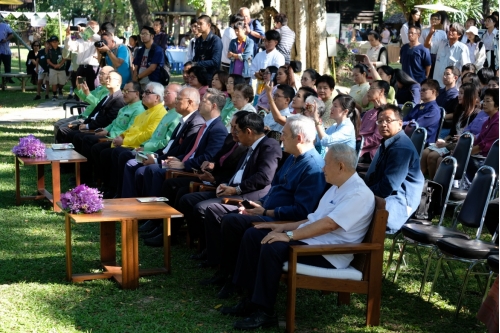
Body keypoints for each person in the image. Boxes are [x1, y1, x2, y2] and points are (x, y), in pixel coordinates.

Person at [221, 143, 374, 330]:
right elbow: (312, 220)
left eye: (326, 164)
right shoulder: (337, 187)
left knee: (272, 246)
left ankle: (265, 311)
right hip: (313, 242)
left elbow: (329, 224)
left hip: (329, 254)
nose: (323, 168)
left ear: (341, 166)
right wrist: (280, 227)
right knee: (254, 234)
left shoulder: (358, 193)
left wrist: (289, 235)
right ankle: (250, 299)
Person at [200, 115, 327, 297]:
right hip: (267, 209)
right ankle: (227, 274)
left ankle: (236, 281)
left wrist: (266, 211)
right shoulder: (293, 158)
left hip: (283, 219)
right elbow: (275, 188)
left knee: (234, 222)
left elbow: (302, 211)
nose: (281, 138)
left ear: (298, 138)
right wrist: (258, 204)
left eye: (284, 134)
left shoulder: (313, 168)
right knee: (230, 218)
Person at [170, 112, 282, 250]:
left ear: (248, 131)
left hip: (249, 195)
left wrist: (236, 189)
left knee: (203, 208)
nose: (234, 133)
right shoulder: (249, 146)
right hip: (231, 190)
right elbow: (237, 174)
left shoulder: (269, 145)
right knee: (187, 199)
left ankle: (213, 251)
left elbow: (264, 177)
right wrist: (218, 181)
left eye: (237, 130)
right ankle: (203, 245)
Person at [98, 83, 180, 198]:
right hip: (142, 146)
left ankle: (120, 193)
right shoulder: (149, 112)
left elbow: (150, 136)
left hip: (151, 150)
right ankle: (111, 189)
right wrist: (122, 137)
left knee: (121, 155)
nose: (143, 95)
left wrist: (134, 144)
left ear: (157, 98)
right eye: (144, 92)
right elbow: (132, 129)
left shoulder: (163, 114)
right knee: (106, 151)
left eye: (148, 93)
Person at [365, 105, 424, 233]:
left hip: (398, 203)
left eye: (388, 120)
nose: (383, 124)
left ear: (400, 124)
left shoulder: (401, 148)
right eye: (380, 121)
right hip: (385, 197)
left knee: (351, 211)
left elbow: (388, 187)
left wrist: (363, 194)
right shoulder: (389, 142)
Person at [78, 81, 145, 184]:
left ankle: (99, 180)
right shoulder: (124, 108)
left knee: (96, 147)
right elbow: (114, 123)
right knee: (87, 140)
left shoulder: (139, 110)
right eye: (123, 91)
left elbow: (130, 130)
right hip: (111, 135)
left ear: (137, 93)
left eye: (127, 91)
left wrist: (109, 134)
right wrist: (106, 129)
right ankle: (92, 178)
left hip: (120, 139)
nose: (124, 93)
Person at [421, 83, 484, 179]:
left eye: (462, 93)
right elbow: (453, 132)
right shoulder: (459, 109)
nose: (459, 96)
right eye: (459, 93)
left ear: (469, 96)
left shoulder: (476, 114)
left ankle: (434, 183)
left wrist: (447, 144)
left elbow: (468, 138)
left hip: (460, 145)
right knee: (425, 152)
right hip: (452, 142)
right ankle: (424, 179)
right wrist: (445, 140)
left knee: (433, 156)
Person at [57, 70, 126, 144]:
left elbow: (107, 119)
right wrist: (80, 88)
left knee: (71, 133)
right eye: (100, 74)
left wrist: (87, 126)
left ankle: (67, 154)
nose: (105, 79)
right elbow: (86, 99)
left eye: (108, 77)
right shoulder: (102, 90)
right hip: (88, 120)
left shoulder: (118, 99)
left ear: (118, 82)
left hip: (96, 126)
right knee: (62, 129)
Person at [466, 88, 499, 180]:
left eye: (488, 101)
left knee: (461, 159)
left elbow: (483, 146)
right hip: (480, 156)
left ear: (496, 103)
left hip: (490, 161)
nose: (484, 103)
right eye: (483, 101)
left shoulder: (497, 122)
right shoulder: (487, 122)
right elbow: (478, 141)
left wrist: (465, 152)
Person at [63, 21, 101, 91]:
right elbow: (69, 47)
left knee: (93, 89)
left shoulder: (98, 39)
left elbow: (98, 38)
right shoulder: (80, 41)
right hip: (81, 69)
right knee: (81, 90)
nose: (90, 29)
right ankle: (81, 102)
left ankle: (93, 102)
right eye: (88, 27)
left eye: (92, 28)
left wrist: (87, 32)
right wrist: (68, 35)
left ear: (97, 29)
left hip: (93, 69)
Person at [431, 23, 470, 88]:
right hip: (436, 85)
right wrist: (430, 33)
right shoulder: (441, 43)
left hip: (451, 87)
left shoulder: (462, 48)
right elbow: (427, 46)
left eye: (453, 30)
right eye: (450, 30)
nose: (450, 32)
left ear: (459, 34)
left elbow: (466, 69)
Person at [403, 78, 442, 144]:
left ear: (433, 92)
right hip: (409, 138)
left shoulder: (434, 110)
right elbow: (406, 119)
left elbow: (415, 125)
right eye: (420, 90)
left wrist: (399, 124)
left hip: (421, 143)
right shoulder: (418, 106)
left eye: (424, 90)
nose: (421, 92)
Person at [358, 80, 388, 162]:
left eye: (371, 88)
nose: (368, 91)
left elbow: (377, 138)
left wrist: (358, 144)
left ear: (381, 91)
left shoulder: (387, 113)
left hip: (369, 152)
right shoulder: (368, 112)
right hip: (357, 147)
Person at [193, 15, 223, 81]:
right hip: (199, 75)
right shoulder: (198, 40)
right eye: (197, 24)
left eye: (201, 24)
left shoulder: (216, 40)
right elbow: (196, 57)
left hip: (211, 77)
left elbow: (215, 62)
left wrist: (197, 64)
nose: (198, 26)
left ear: (208, 25)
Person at [419, 12, 448, 78]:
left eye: (435, 19)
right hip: (427, 55)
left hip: (438, 56)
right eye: (432, 19)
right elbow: (421, 44)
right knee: (426, 74)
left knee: (436, 74)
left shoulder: (443, 33)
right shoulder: (424, 31)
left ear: (439, 21)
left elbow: (444, 45)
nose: (433, 21)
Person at [436, 66, 460, 137]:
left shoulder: (456, 95)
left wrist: (441, 116)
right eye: (444, 74)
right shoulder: (440, 91)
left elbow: (455, 113)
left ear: (455, 78)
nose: (444, 76)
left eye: (447, 74)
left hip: (445, 127)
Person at [46, 36, 67, 101]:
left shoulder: (61, 50)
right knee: (54, 82)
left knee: (62, 82)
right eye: (53, 42)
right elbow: (48, 60)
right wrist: (54, 65)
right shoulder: (49, 51)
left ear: (58, 42)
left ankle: (60, 89)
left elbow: (64, 58)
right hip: (52, 69)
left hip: (61, 68)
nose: (54, 43)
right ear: (51, 43)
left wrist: (59, 64)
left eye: (56, 42)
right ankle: (54, 95)